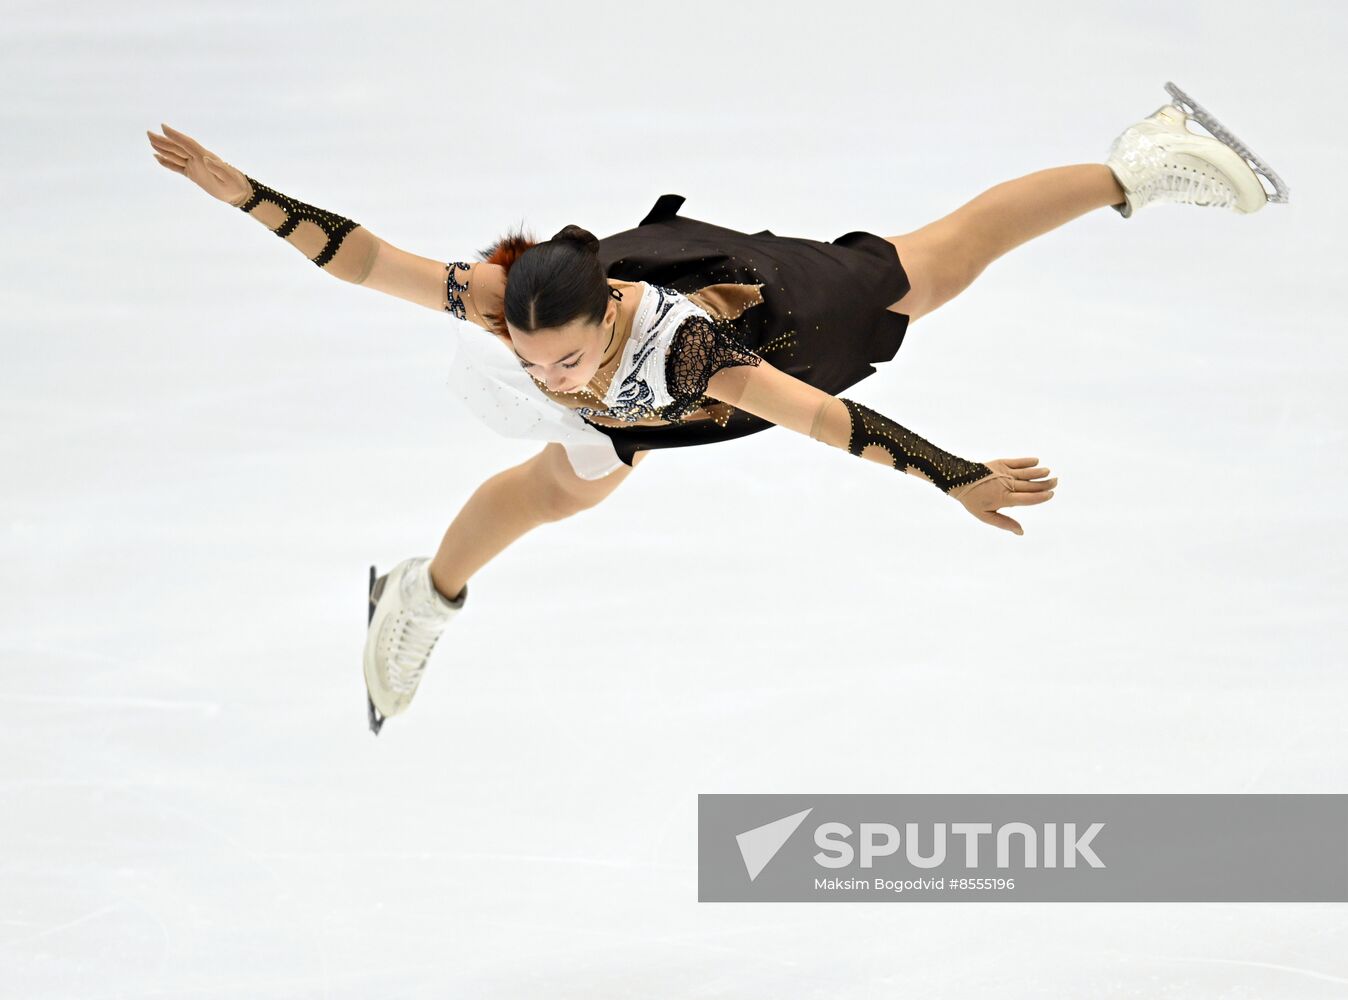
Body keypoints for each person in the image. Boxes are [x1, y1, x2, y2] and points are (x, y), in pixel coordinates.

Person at [145, 82, 1287, 735]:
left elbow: (825, 421)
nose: (547, 377)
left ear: (604, 319)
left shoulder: (692, 355)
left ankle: (1144, 158)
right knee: (566, 477)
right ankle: (421, 596)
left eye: (565, 357)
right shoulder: (509, 302)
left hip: (768, 309)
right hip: (626, 348)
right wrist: (235, 189)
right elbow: (359, 257)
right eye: (529, 359)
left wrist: (956, 476)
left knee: (934, 267)